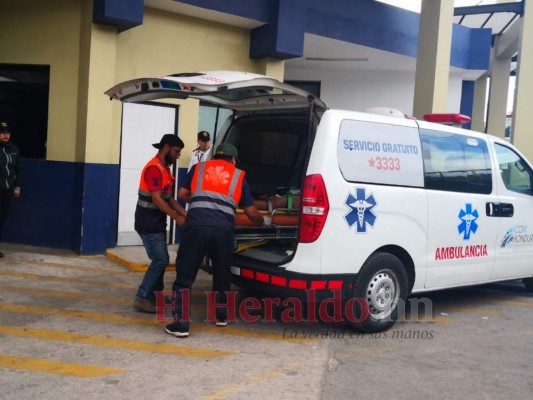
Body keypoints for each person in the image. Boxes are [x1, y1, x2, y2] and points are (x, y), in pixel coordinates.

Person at [165, 143, 266, 338]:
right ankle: (221, 316)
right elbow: (251, 212)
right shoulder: (239, 175)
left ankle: (181, 324)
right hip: (223, 231)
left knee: (185, 276)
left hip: (197, 227)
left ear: (214, 157)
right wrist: (262, 222)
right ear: (233, 159)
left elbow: (183, 194)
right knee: (222, 274)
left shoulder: (199, 168)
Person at [133, 134, 188, 313]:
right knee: (160, 260)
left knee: (160, 259)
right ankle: (142, 297)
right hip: (147, 223)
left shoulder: (165, 168)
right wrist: (176, 217)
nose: (179, 155)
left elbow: (168, 198)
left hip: (156, 223)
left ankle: (155, 296)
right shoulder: (154, 169)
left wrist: (185, 214)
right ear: (166, 148)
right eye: (177, 152)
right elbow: (157, 199)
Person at [0, 121, 22, 258]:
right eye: (2, 132)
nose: (5, 135)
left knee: (1, 219)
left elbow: (18, 169)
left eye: (7, 132)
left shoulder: (14, 149)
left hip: (7, 189)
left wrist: (17, 186)